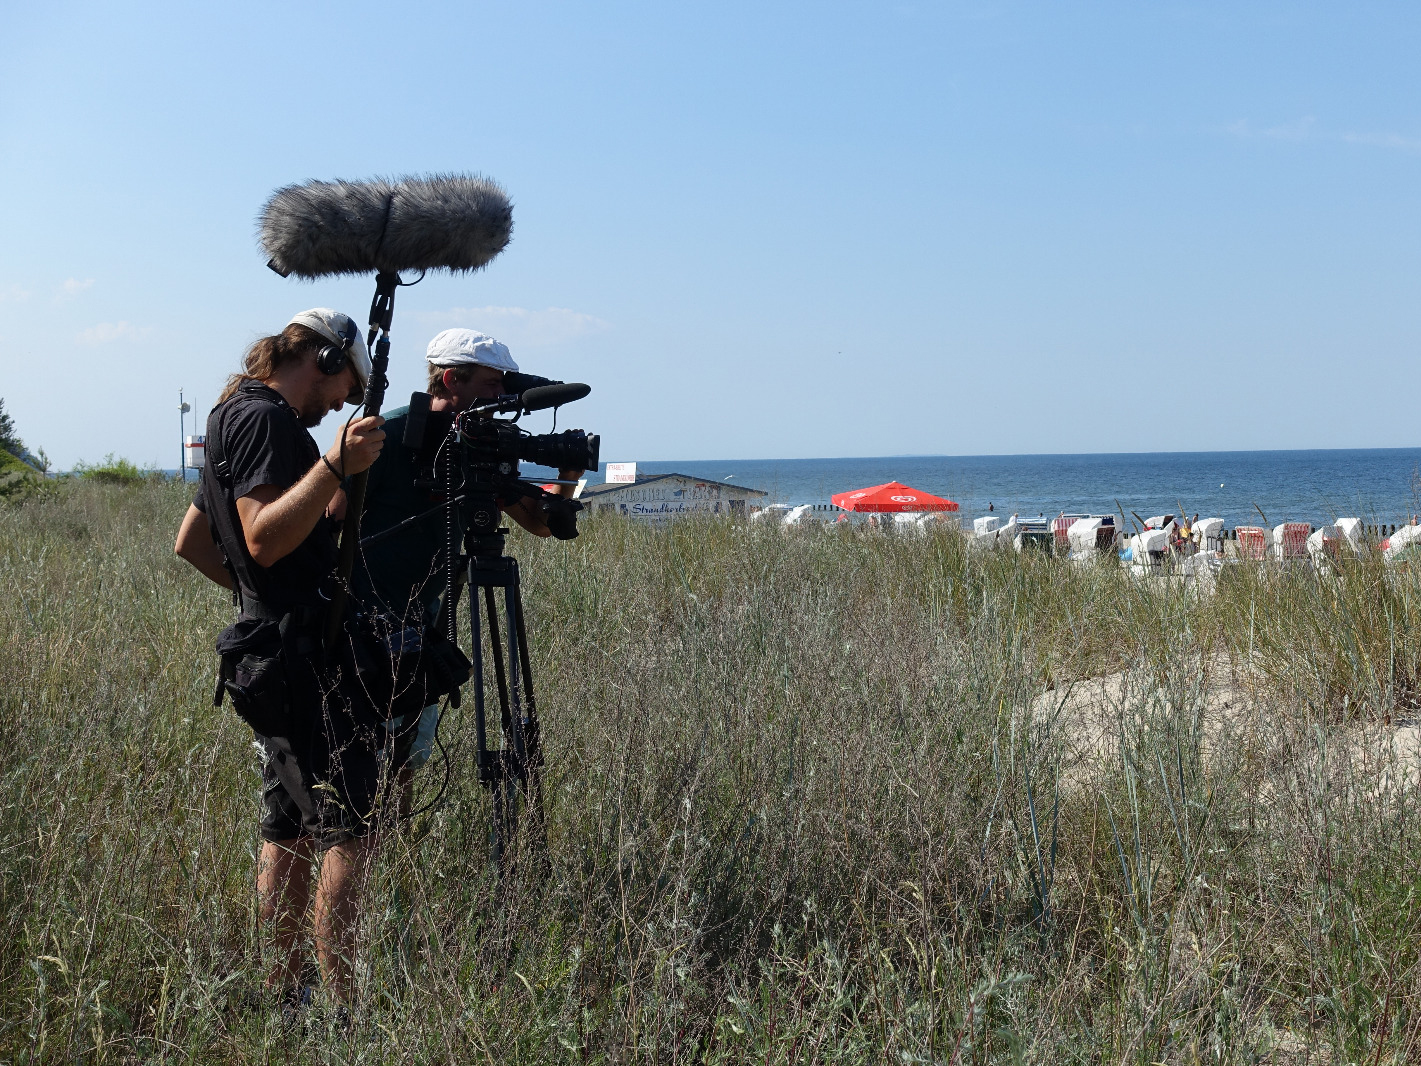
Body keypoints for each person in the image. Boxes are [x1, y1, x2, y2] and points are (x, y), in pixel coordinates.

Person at [173, 308, 386, 1018]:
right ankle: (345, 1009)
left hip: (266, 650)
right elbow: (262, 537)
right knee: (349, 831)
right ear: (323, 362)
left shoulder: (228, 414)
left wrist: (261, 599)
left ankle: (288, 999)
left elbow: (194, 541)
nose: (338, 406)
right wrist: (334, 466)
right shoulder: (269, 422)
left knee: (288, 829)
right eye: (342, 389)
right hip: (304, 663)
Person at [351, 328, 585, 794]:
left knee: (405, 761)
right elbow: (333, 521)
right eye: (491, 384)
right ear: (452, 379)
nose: (500, 396)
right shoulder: (389, 436)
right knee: (360, 760)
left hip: (423, 619)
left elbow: (539, 522)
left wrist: (568, 472)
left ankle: (392, 854)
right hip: (362, 620)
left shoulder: (482, 445)